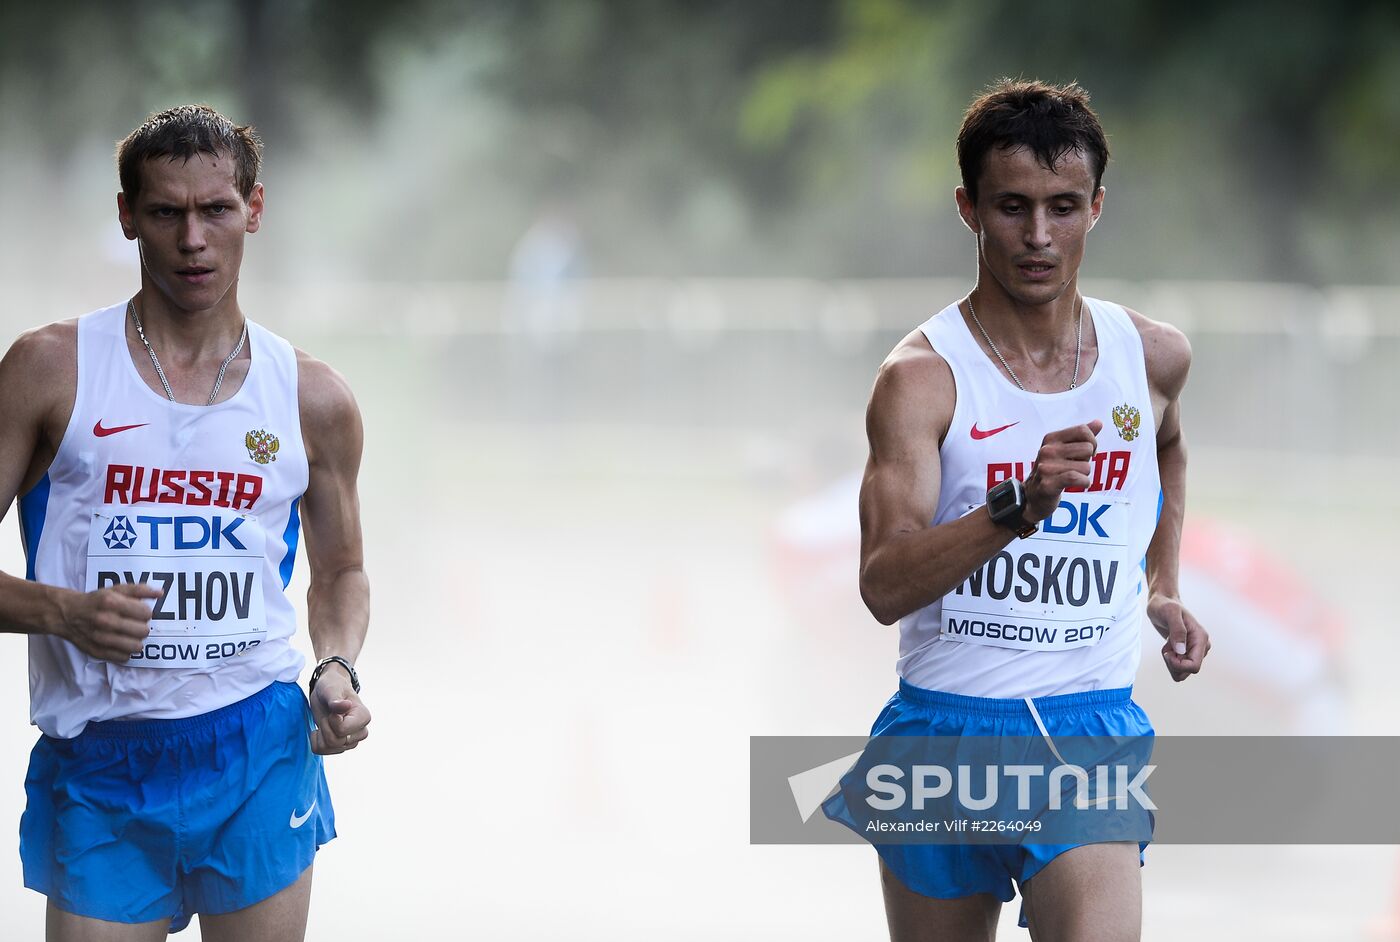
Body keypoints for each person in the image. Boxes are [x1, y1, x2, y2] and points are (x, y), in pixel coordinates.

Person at [822, 79, 1209, 940]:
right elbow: (884, 584)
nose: (1039, 237)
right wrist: (1015, 507)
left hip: (1087, 727)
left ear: (1097, 207)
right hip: (942, 737)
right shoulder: (922, 379)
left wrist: (1162, 583)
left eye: (1063, 207)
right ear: (969, 209)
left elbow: (1169, 447)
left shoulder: (1151, 357)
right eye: (1013, 207)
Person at [0, 104, 372, 941]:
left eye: (216, 211)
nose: (193, 239)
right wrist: (64, 612)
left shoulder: (313, 398)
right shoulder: (49, 369)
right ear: (128, 216)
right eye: (167, 212)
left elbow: (342, 570)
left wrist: (338, 667)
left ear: (255, 209)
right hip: (103, 760)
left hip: (258, 748)